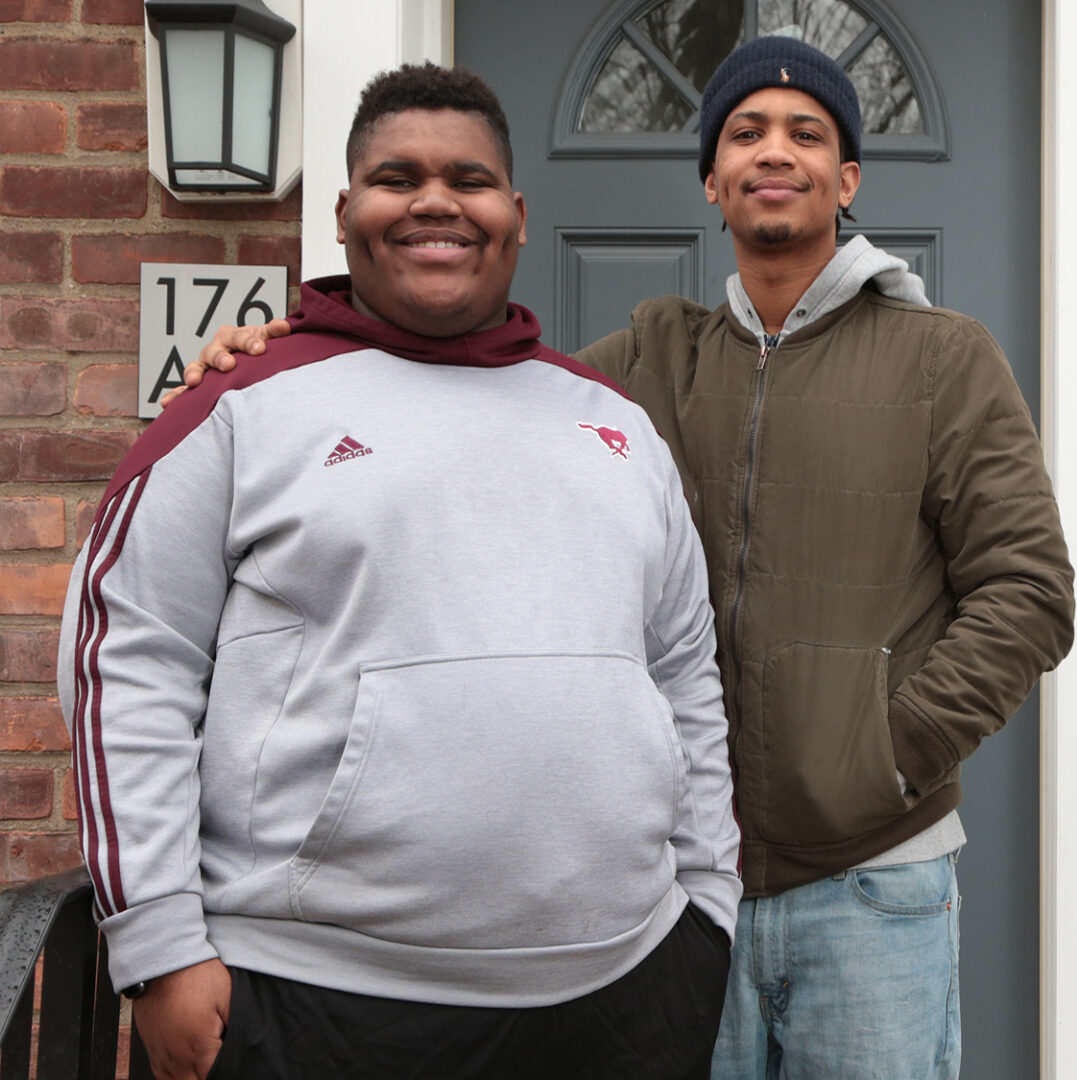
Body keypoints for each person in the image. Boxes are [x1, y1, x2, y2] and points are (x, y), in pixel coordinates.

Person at [185, 36, 1073, 1079]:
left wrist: (885, 751)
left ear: (848, 178)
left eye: (806, 133)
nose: (772, 152)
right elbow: (460, 371)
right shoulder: (647, 361)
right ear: (712, 179)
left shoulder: (944, 358)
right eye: (745, 133)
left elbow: (1029, 592)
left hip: (876, 888)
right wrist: (291, 348)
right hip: (685, 899)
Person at [62, 65, 738, 1080]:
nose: (433, 201)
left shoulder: (615, 425)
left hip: (628, 992)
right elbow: (128, 662)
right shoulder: (240, 409)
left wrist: (707, 907)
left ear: (515, 212)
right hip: (319, 999)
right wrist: (159, 947)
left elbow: (685, 674)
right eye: (397, 177)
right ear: (344, 213)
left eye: (468, 178)